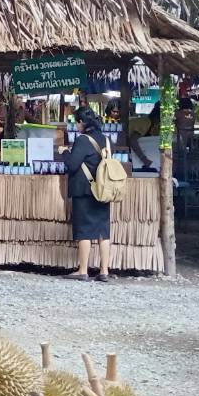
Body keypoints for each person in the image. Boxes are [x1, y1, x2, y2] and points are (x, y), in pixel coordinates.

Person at [63, 105, 114, 282]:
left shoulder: (83, 140)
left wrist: (64, 153)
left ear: (82, 122)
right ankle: (104, 271)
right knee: (103, 231)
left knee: (84, 230)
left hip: (85, 190)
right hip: (103, 190)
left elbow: (72, 165)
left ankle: (83, 270)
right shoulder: (106, 139)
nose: (76, 126)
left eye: (76, 122)